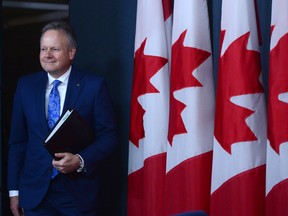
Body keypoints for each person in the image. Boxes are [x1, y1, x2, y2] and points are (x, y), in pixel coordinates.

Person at [7, 21, 119, 216]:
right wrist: (14, 192)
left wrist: (80, 160)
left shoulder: (93, 86)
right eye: (43, 49)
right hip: (35, 194)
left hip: (78, 194)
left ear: (71, 52)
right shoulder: (26, 86)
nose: (47, 55)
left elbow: (109, 136)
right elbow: (18, 142)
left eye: (55, 49)